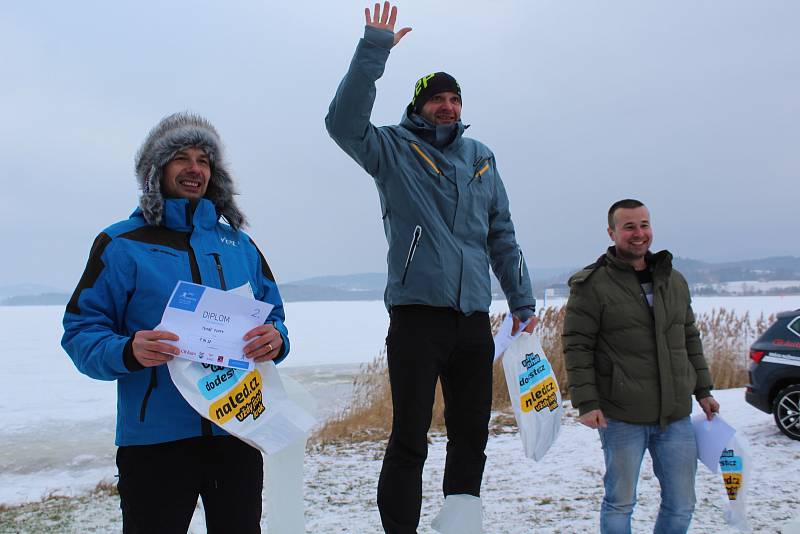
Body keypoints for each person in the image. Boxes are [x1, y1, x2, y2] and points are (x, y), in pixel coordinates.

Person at [326, 3, 536, 532]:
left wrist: (522, 301)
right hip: (417, 318)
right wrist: (374, 48)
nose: (447, 105)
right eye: (437, 98)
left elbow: (501, 236)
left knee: (472, 434)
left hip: (472, 320)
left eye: (454, 98)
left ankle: (461, 522)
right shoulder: (391, 150)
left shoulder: (481, 157)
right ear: (420, 105)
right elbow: (342, 123)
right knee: (410, 436)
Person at [62, 112, 288, 533]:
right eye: (181, 157)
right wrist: (128, 350)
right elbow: (80, 332)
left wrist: (275, 339)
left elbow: (273, 317)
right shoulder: (121, 244)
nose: (194, 168)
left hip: (236, 429)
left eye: (204, 159)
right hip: (155, 440)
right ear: (155, 170)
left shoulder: (239, 244)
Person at [563, 199, 720, 534]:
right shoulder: (591, 285)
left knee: (682, 505)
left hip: (675, 415)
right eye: (629, 226)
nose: (639, 234)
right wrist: (587, 403)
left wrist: (703, 390)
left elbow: (689, 337)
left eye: (644, 225)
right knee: (620, 503)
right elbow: (577, 347)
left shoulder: (673, 280)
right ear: (612, 232)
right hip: (622, 415)